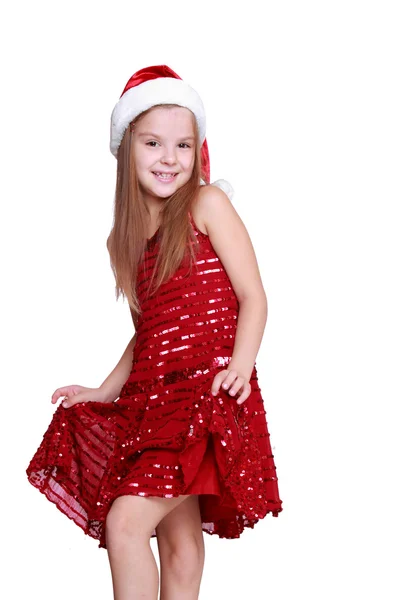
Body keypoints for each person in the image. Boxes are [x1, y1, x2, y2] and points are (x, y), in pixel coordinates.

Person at [26, 65, 283, 600]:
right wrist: (104, 389)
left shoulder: (207, 206)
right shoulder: (125, 241)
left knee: (125, 524)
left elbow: (253, 296)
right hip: (154, 401)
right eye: (153, 143)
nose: (170, 158)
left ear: (197, 150)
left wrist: (240, 364)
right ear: (127, 150)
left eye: (183, 145)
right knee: (179, 542)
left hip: (205, 395)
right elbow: (149, 331)